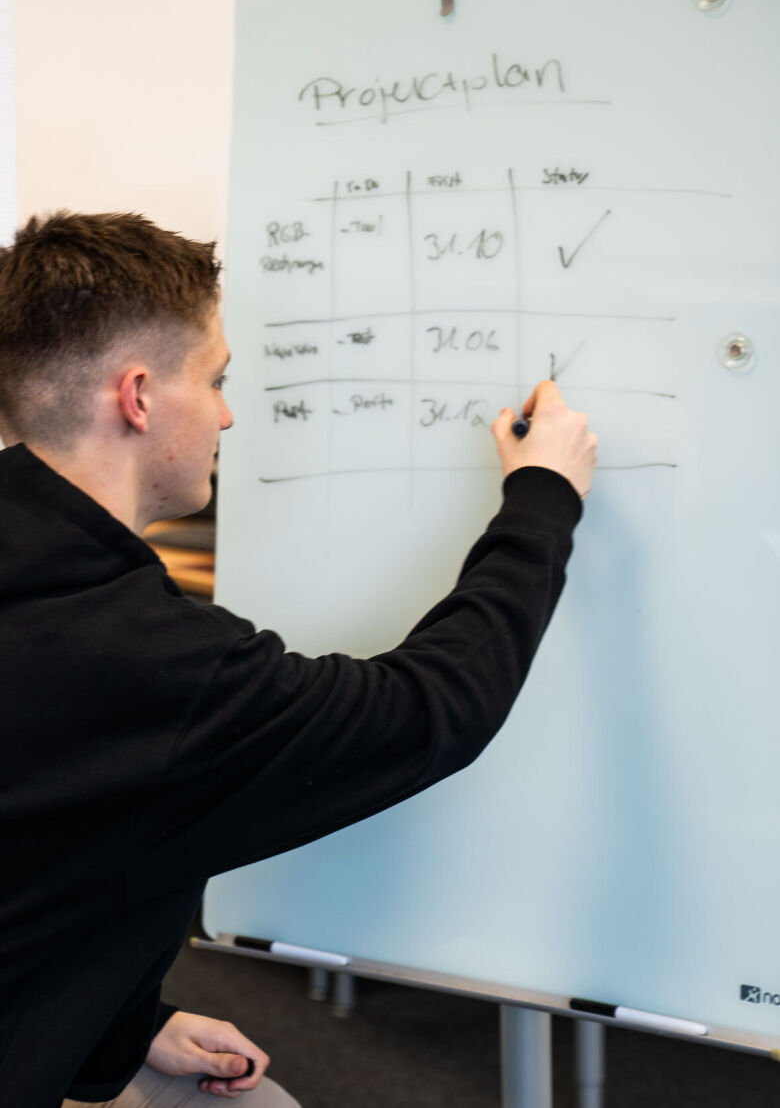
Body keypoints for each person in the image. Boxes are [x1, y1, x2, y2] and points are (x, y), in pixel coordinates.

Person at [0, 211, 597, 1108]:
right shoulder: (146, 659)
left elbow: (45, 864)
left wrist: (125, 1026)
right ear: (138, 397)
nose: (229, 412)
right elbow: (433, 708)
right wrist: (543, 495)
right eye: (216, 378)